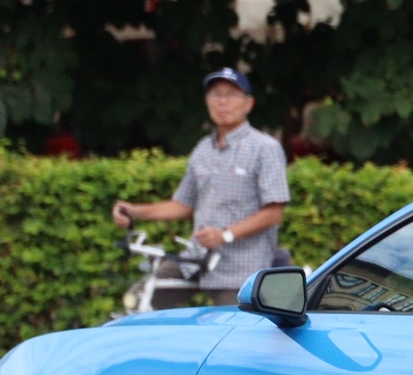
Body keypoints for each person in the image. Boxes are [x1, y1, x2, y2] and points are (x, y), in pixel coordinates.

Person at [111, 68, 290, 304]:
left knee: (231, 332)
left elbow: (274, 213)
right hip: (196, 258)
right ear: (207, 102)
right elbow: (183, 205)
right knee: (139, 301)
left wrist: (224, 235)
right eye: (216, 95)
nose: (223, 102)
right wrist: (134, 211)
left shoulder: (265, 148)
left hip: (241, 269)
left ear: (248, 104)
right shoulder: (202, 150)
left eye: (231, 95)